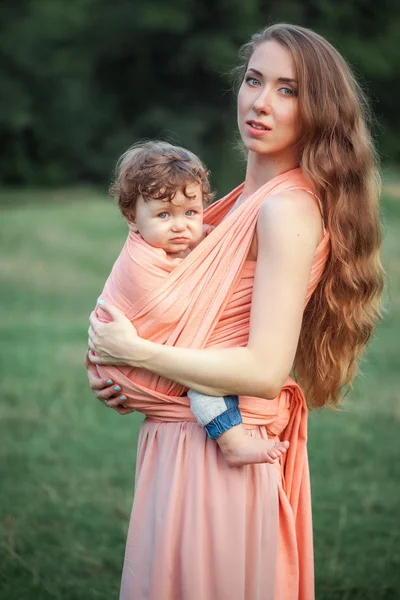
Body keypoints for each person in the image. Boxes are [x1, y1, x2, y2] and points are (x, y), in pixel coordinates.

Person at [85, 23, 384, 600]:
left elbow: (264, 370)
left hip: (219, 460)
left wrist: (135, 354)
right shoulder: (233, 202)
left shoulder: (286, 210)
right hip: (180, 447)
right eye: (254, 80)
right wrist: (120, 372)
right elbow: (177, 314)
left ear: (318, 110)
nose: (261, 102)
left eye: (287, 89)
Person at [93, 139, 289, 467]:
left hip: (128, 355)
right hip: (127, 363)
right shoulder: (141, 262)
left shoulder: (177, 240)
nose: (181, 225)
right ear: (131, 217)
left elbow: (213, 239)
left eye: (191, 212)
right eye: (164, 214)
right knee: (207, 374)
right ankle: (232, 441)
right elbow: (173, 313)